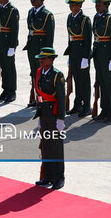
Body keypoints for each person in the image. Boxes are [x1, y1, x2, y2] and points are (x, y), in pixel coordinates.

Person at [33, 47, 66, 190]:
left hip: (53, 114)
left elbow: (61, 98)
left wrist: (60, 119)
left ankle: (59, 178)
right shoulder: (39, 72)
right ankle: (48, 176)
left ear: (52, 60)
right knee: (45, 146)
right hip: (44, 114)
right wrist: (39, 114)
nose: (41, 60)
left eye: (44, 58)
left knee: (56, 148)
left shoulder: (57, 75)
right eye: (40, 58)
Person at [24, 0, 55, 107]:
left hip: (41, 48)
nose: (32, 1)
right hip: (32, 46)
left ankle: (43, 99)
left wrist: (47, 54)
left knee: (42, 74)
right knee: (34, 72)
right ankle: (36, 97)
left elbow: (49, 36)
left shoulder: (47, 15)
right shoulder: (31, 12)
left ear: (41, 0)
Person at [92, 0, 111, 123]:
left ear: (106, 5)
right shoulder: (97, 17)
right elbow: (96, 38)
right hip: (98, 55)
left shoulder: (110, 19)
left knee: (110, 84)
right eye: (96, 4)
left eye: (100, 4)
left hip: (107, 55)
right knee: (101, 82)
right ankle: (105, 109)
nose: (97, 6)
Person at [64, 0, 92, 117]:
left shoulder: (85, 19)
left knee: (84, 81)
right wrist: (69, 55)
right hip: (74, 53)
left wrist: (86, 57)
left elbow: (88, 40)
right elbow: (70, 38)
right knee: (76, 80)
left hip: (82, 54)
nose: (71, 6)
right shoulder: (70, 17)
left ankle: (87, 106)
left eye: (73, 4)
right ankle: (77, 104)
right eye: (70, 4)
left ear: (80, 5)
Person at [0, 0, 19, 102]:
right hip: (1, 41)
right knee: (3, 66)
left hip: (8, 43)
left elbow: (14, 30)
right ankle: (5, 89)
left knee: (9, 68)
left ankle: (12, 91)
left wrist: (12, 46)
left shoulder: (13, 11)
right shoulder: (0, 8)